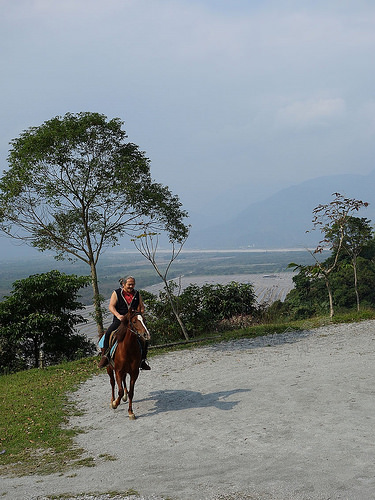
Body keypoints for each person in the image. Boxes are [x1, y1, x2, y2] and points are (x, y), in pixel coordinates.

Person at [98, 276, 151, 370]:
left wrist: (140, 313)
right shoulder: (117, 293)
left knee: (145, 335)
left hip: (133, 320)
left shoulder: (137, 294)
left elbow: (141, 306)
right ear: (123, 284)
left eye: (133, 284)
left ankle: (142, 360)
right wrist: (118, 315)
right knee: (109, 333)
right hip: (120, 319)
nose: (131, 286)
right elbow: (111, 306)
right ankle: (105, 356)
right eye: (129, 284)